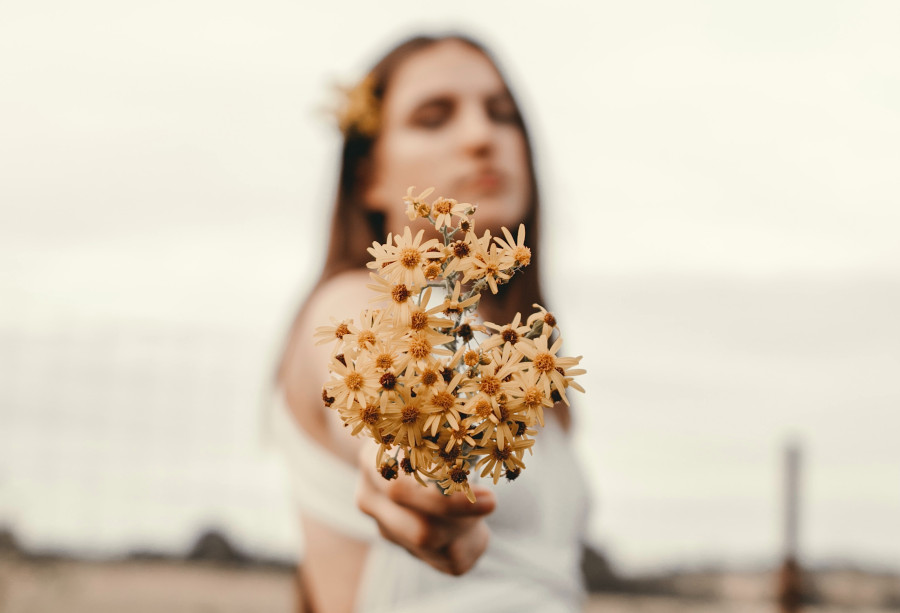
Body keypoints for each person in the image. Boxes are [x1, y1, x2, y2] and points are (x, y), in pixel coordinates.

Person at [272, 34, 589, 613]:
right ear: (368, 173)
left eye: (502, 114)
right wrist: (405, 466)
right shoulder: (353, 303)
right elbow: (378, 395)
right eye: (433, 117)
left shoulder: (516, 346)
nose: (481, 137)